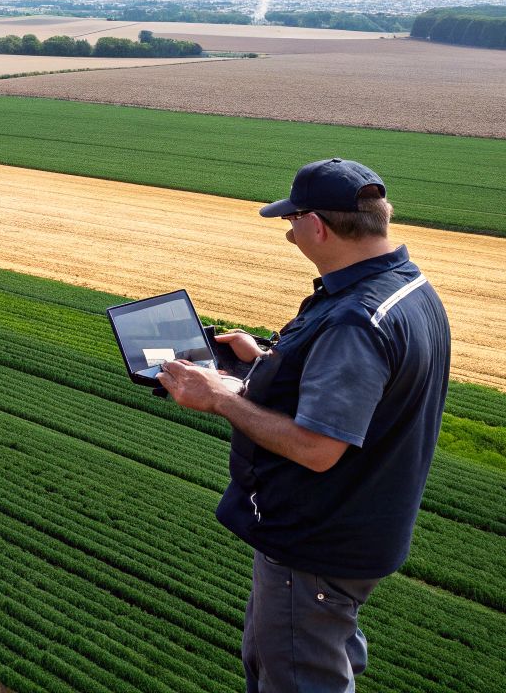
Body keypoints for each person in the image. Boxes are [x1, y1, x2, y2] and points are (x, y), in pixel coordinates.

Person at [158, 157, 451, 693]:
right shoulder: (407, 289)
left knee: (298, 678)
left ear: (317, 225)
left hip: (317, 543)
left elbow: (318, 448)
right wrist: (263, 362)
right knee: (291, 660)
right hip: (356, 531)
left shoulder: (354, 321)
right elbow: (357, 391)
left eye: (292, 222)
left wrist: (220, 398)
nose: (290, 234)